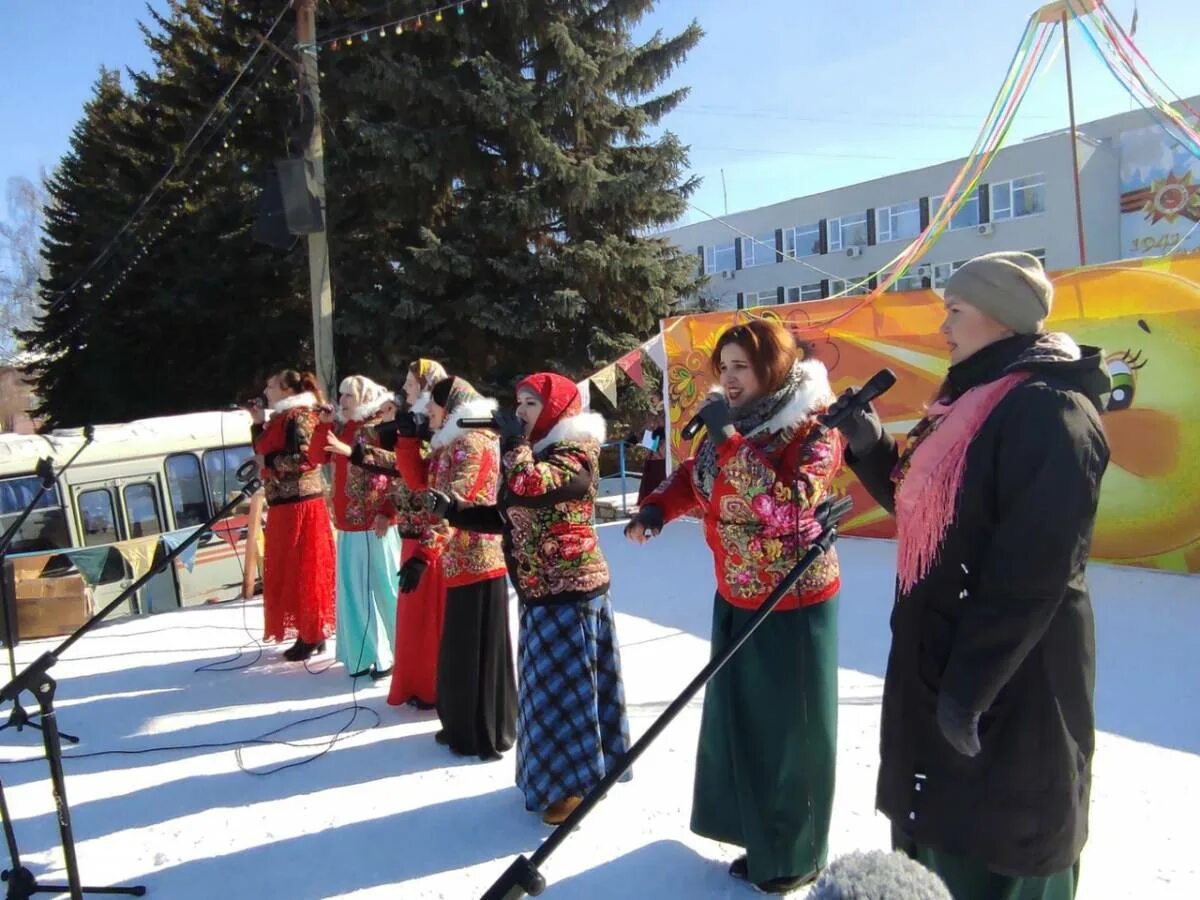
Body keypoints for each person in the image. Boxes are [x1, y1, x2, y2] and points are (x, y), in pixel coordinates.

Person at [829, 251, 1110, 900]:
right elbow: (931, 510)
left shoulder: (1050, 410)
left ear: (1003, 318)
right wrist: (871, 447)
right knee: (945, 825)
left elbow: (1033, 573)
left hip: (1015, 682)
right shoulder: (971, 399)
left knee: (1004, 834)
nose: (944, 327)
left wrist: (972, 686)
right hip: (947, 663)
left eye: (955, 311)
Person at [624, 319, 843, 894]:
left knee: (790, 731)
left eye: (741, 366)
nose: (729, 378)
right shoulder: (732, 424)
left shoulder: (815, 429)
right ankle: (759, 837)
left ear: (773, 367)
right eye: (723, 367)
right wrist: (656, 508)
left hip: (792, 601)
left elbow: (786, 509)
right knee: (746, 725)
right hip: (737, 593)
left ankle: (796, 853)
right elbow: (695, 480)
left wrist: (727, 439)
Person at [428, 373, 630, 825]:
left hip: (573, 594)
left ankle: (576, 785)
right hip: (540, 593)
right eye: (518, 402)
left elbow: (528, 487)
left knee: (567, 694)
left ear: (557, 410)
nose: (519, 412)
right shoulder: (535, 455)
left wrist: (514, 444)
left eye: (531, 404)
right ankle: (553, 779)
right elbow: (509, 515)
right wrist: (455, 511)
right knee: (543, 695)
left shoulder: (576, 455)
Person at [373, 375, 516, 759]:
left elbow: (456, 502)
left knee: (474, 653)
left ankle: (483, 733)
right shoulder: (449, 442)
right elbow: (420, 484)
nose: (428, 412)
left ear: (449, 405)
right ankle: (458, 724)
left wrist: (423, 555)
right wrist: (405, 440)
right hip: (456, 560)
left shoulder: (473, 441)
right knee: (457, 652)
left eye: (432, 405)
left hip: (479, 559)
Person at [313, 375, 401, 679]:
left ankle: (399, 654)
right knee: (353, 592)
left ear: (364, 397)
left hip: (378, 524)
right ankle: (366, 656)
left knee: (387, 590)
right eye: (341, 395)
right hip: (349, 525)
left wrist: (388, 512)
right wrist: (324, 424)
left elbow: (396, 469)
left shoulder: (381, 427)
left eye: (348, 395)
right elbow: (316, 456)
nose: (342, 401)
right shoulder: (342, 427)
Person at [249, 369, 336, 661]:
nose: (267, 389)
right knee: (291, 569)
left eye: (272, 385)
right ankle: (308, 630)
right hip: (284, 504)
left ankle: (311, 633)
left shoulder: (300, 416)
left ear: (287, 389)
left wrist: (270, 460)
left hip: (301, 504)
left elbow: (308, 458)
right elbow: (265, 452)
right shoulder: (281, 418)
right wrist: (257, 425)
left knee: (304, 569)